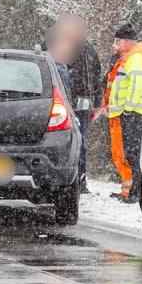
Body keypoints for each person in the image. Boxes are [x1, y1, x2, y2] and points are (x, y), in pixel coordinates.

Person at [93, 22, 142, 203]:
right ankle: (132, 190)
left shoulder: (136, 57)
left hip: (133, 114)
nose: (115, 45)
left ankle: (136, 192)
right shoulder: (133, 55)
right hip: (130, 113)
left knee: (133, 154)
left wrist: (128, 109)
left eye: (118, 41)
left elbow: (136, 84)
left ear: (127, 41)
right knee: (129, 153)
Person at [47, 14, 102, 192]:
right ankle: (63, 181)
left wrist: (97, 103)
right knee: (63, 143)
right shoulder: (56, 50)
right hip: (61, 105)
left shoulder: (89, 52)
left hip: (82, 106)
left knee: (82, 144)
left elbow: (96, 79)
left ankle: (81, 180)